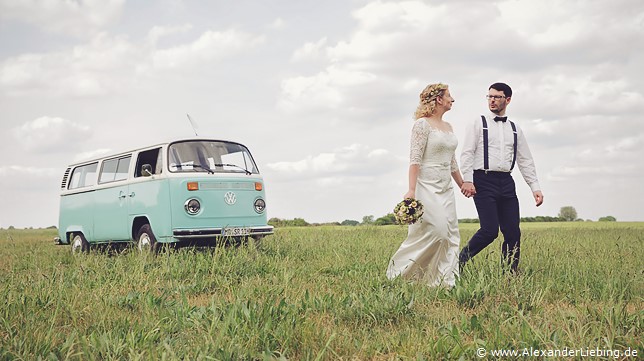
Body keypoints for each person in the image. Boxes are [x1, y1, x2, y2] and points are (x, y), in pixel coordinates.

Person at [387, 83, 468, 287]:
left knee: (450, 234)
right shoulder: (421, 125)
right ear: (439, 99)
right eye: (449, 95)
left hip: (446, 186)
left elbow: (451, 161)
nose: (452, 99)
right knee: (437, 231)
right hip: (426, 184)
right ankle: (401, 274)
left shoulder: (449, 127)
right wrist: (411, 190)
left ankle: (443, 282)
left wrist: (462, 184)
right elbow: (415, 158)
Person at [459, 82, 544, 274]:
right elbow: (467, 153)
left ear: (508, 99)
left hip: (506, 181)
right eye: (489, 96)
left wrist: (535, 187)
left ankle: (510, 272)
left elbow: (525, 159)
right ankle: (459, 261)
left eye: (497, 97)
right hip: (482, 180)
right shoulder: (478, 122)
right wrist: (468, 179)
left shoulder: (515, 128)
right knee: (489, 231)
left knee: (513, 231)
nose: (492, 100)